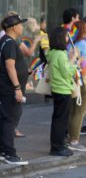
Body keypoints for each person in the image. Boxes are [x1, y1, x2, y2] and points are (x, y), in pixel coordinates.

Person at [0, 14, 29, 165]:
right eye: (20, 24)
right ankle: (9, 153)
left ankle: (3, 151)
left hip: (6, 87)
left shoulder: (5, 41)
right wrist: (17, 88)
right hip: (10, 89)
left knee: (6, 119)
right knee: (11, 119)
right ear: (13, 27)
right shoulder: (10, 43)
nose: (22, 27)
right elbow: (10, 66)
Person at [47, 26, 78, 157]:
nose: (67, 38)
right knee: (61, 120)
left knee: (57, 118)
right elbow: (67, 73)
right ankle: (58, 147)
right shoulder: (60, 54)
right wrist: (73, 61)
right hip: (63, 89)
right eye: (66, 36)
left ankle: (56, 145)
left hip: (56, 88)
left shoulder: (52, 52)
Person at [68, 21, 86, 152]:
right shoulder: (85, 45)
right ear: (82, 30)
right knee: (80, 112)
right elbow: (85, 68)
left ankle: (69, 138)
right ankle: (75, 141)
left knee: (72, 111)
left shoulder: (70, 45)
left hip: (70, 80)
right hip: (81, 81)